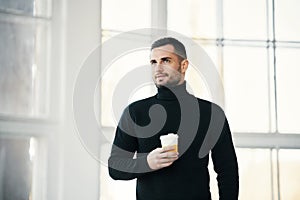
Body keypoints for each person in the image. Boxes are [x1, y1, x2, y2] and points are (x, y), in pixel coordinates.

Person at [108, 37, 239, 200]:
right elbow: (115, 167)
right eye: (153, 62)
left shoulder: (211, 113)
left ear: (183, 65)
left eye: (166, 60)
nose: (158, 68)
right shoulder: (135, 112)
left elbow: (227, 170)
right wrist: (147, 163)